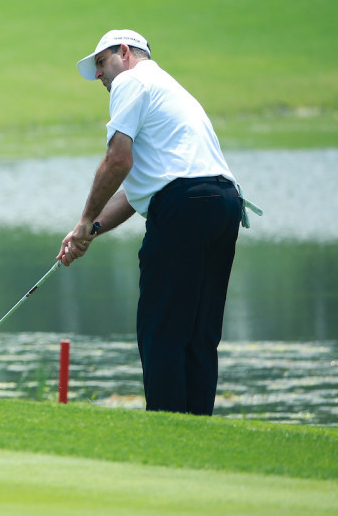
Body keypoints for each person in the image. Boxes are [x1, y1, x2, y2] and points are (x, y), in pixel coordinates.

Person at [58, 30, 253, 416]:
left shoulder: (130, 81)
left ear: (126, 53)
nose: (99, 75)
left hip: (184, 206)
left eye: (102, 62)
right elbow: (138, 192)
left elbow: (118, 161)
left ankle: (167, 433)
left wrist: (82, 221)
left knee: (160, 331)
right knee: (199, 333)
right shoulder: (171, 88)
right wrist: (90, 230)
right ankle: (196, 436)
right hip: (224, 204)